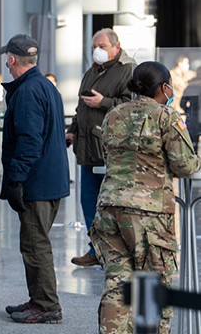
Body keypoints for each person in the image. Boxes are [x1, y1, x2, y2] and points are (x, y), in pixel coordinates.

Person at [91, 61, 201, 334]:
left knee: (117, 283)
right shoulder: (166, 117)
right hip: (148, 215)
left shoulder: (114, 114)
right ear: (164, 87)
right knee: (153, 282)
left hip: (109, 209)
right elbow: (184, 165)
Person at [0, 34, 69, 324]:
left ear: (12, 60)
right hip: (50, 180)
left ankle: (47, 305)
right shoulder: (45, 86)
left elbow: (29, 141)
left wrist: (15, 179)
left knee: (34, 244)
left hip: (37, 183)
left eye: (7, 58)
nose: (6, 62)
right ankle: (38, 299)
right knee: (34, 242)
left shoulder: (27, 91)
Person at [67, 28, 135, 267]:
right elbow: (81, 107)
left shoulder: (127, 71)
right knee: (89, 202)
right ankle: (95, 249)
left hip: (110, 151)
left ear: (116, 47)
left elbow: (131, 106)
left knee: (110, 205)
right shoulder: (91, 71)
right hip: (88, 150)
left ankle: (112, 251)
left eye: (102, 46)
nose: (97, 50)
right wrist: (73, 129)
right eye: (94, 46)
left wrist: (103, 102)